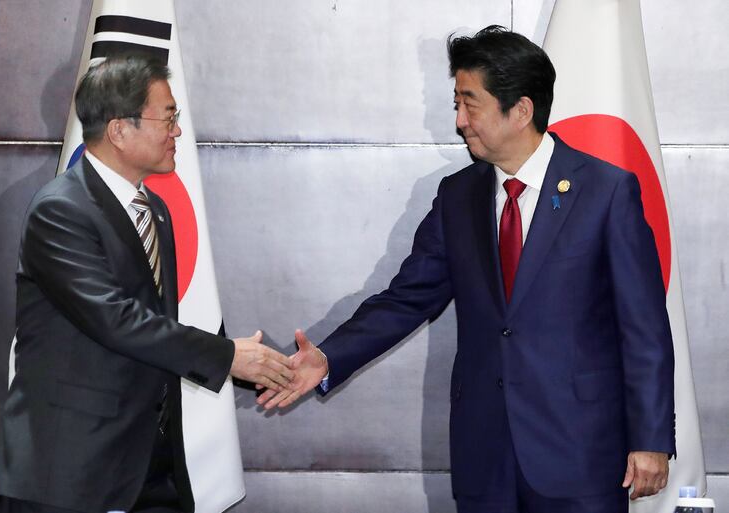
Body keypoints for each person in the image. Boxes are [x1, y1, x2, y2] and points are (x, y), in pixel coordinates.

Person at [259, 25, 675, 513]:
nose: (459, 120)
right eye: (456, 103)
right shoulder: (458, 197)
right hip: (486, 457)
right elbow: (406, 298)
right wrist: (328, 357)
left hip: (580, 455)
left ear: (520, 110)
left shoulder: (606, 192)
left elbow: (644, 327)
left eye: (469, 103)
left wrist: (650, 439)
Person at [0, 54, 295, 513]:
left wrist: (268, 367)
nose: (177, 131)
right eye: (168, 118)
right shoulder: (61, 210)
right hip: (71, 475)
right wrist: (229, 357)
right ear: (119, 130)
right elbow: (116, 319)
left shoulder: (153, 210)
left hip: (148, 473)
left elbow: (159, 326)